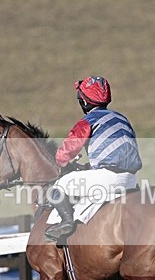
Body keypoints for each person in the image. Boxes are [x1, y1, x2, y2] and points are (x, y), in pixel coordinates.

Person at [45, 75, 143, 242]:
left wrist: (62, 162)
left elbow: (65, 154)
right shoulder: (121, 118)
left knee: (57, 188)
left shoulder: (87, 121)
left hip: (107, 179)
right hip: (131, 181)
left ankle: (66, 222)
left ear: (83, 102)